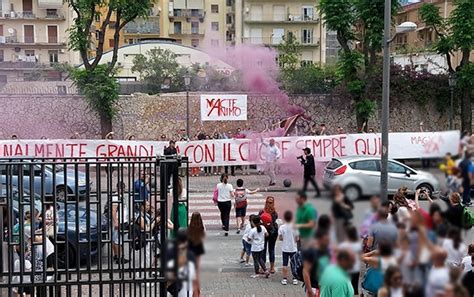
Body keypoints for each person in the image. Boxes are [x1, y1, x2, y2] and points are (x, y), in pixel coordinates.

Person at [302, 229, 331, 297]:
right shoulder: (311, 251)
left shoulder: (326, 250)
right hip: (314, 288)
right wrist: (310, 291)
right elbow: (305, 271)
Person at [338, 225, 361, 293]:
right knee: (355, 289)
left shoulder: (343, 245)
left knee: (345, 288)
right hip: (356, 269)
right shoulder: (358, 245)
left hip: (345, 270)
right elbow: (360, 257)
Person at [111, 182, 129, 264]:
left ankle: (116, 255)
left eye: (124, 187)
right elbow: (113, 210)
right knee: (119, 240)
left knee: (116, 239)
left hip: (122, 220)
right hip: (120, 221)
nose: (123, 189)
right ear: (117, 188)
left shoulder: (120, 196)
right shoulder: (116, 197)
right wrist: (116, 222)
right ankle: (119, 258)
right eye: (121, 188)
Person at [278, 210, 298, 285]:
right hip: (293, 248)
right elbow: (297, 239)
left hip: (285, 248)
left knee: (285, 264)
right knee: (294, 264)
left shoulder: (282, 227)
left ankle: (284, 279)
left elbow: (280, 238)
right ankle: (295, 278)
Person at [188, 212, 205, 296]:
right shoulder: (201, 228)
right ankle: (196, 293)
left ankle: (192, 292)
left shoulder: (189, 229)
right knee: (196, 274)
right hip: (198, 250)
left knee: (191, 274)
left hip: (190, 252)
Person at [259, 196, 279, 274]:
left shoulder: (270, 213)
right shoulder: (274, 213)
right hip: (270, 232)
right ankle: (266, 267)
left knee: (269, 250)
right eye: (268, 202)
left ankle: (271, 267)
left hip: (270, 233)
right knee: (266, 250)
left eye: (270, 202)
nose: (269, 204)